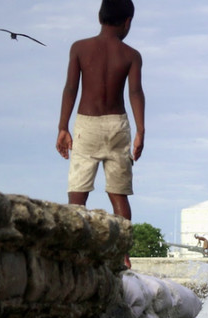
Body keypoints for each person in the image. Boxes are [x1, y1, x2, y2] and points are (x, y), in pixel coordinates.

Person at [56, 0, 145, 269]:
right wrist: (141, 130)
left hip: (87, 124)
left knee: (77, 194)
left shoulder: (80, 48)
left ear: (99, 16)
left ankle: (75, 250)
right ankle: (123, 255)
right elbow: (135, 93)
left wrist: (63, 127)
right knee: (119, 194)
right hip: (117, 124)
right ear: (127, 21)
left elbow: (71, 88)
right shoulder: (131, 54)